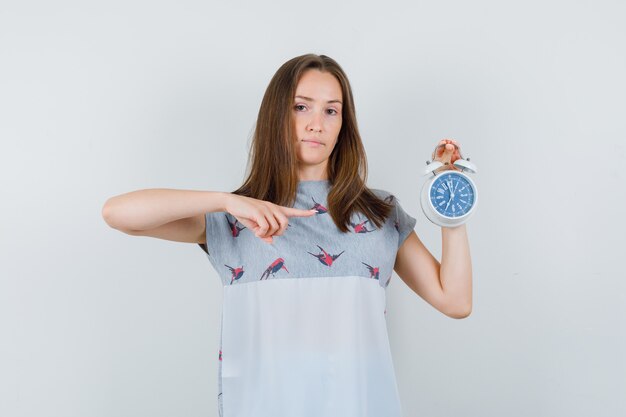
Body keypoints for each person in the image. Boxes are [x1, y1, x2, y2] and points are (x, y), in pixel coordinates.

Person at [102, 53, 472, 417]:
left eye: (331, 110)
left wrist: (451, 201)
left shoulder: (379, 213)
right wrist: (227, 201)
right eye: (301, 107)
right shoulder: (238, 218)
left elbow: (455, 301)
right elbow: (118, 214)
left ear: (344, 123)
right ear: (277, 115)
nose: (317, 124)